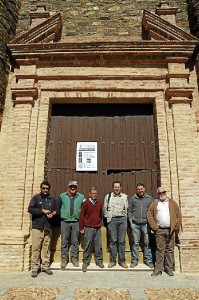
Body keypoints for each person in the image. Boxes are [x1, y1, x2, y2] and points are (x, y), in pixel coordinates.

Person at [147, 187, 182, 276]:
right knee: (159, 250)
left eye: (163, 192)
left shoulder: (172, 203)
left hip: (171, 230)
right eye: (159, 193)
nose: (161, 194)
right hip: (159, 230)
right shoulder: (155, 203)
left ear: (165, 193)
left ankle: (168, 268)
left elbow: (178, 215)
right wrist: (154, 227)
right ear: (157, 194)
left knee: (170, 249)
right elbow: (150, 215)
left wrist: (176, 227)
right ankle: (158, 269)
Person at [28, 180, 58, 278]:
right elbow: (30, 209)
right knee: (36, 248)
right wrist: (42, 211)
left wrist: (52, 214)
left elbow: (57, 210)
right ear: (41, 188)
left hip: (48, 227)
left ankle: (45, 266)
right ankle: (35, 268)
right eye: (44, 188)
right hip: (37, 227)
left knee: (46, 248)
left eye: (47, 188)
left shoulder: (52, 199)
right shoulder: (36, 198)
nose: (45, 190)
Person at [57, 180, 85, 268]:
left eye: (74, 186)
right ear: (68, 187)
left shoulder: (81, 197)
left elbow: (84, 209)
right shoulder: (62, 196)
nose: (73, 188)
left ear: (77, 188)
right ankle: (64, 259)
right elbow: (57, 208)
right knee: (64, 241)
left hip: (76, 222)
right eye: (71, 186)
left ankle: (74, 259)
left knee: (75, 241)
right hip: (65, 221)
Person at [128, 183, 153, 268]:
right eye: (138, 189)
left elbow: (152, 211)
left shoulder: (149, 199)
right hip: (135, 224)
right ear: (136, 190)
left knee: (147, 242)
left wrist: (151, 222)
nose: (140, 190)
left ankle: (148, 260)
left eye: (141, 189)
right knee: (135, 243)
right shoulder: (133, 198)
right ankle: (134, 260)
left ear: (144, 189)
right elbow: (130, 210)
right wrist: (131, 221)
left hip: (146, 224)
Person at [103, 181, 128, 268]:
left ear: (121, 188)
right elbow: (105, 208)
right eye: (115, 187)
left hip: (122, 220)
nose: (117, 188)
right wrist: (108, 218)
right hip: (112, 220)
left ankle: (122, 261)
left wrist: (126, 218)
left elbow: (127, 208)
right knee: (113, 241)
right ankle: (113, 261)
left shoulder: (125, 197)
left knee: (121, 241)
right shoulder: (108, 196)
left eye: (118, 187)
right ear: (113, 188)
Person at [79, 187, 104, 272]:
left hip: (97, 227)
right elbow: (82, 215)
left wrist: (99, 223)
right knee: (87, 245)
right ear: (89, 194)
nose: (94, 195)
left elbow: (100, 214)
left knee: (98, 245)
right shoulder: (86, 203)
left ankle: (99, 261)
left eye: (96, 193)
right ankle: (85, 262)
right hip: (88, 227)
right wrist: (81, 227)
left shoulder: (99, 203)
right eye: (93, 193)